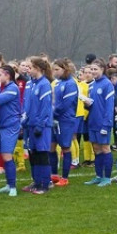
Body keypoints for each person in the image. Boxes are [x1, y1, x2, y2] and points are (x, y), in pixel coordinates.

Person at [22, 56, 54, 194]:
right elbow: (26, 105)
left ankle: (45, 184)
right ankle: (36, 181)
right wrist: (23, 121)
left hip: (41, 126)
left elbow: (45, 107)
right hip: (29, 125)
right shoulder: (30, 84)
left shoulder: (44, 84)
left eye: (30, 67)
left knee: (42, 154)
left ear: (38, 69)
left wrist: (40, 125)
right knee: (32, 154)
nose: (27, 70)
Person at [82, 60, 116, 186]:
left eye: (95, 69)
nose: (92, 72)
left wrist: (106, 124)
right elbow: (93, 106)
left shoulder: (107, 85)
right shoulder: (92, 85)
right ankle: (98, 175)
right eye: (91, 70)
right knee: (96, 149)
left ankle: (107, 178)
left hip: (103, 123)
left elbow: (109, 106)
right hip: (93, 122)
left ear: (102, 69)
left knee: (105, 148)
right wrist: (87, 104)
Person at [0, 64, 22, 197]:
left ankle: (13, 187)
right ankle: (8, 184)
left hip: (10, 126)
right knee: (4, 156)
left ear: (7, 75)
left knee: (7, 155)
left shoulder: (12, 89)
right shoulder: (7, 88)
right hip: (3, 125)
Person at [50, 58, 79, 187]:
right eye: (53, 69)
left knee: (65, 147)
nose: (54, 72)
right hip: (55, 119)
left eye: (57, 69)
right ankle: (54, 175)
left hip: (65, 120)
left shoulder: (71, 84)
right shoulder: (58, 83)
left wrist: (53, 112)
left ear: (65, 69)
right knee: (51, 146)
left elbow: (66, 104)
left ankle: (65, 177)